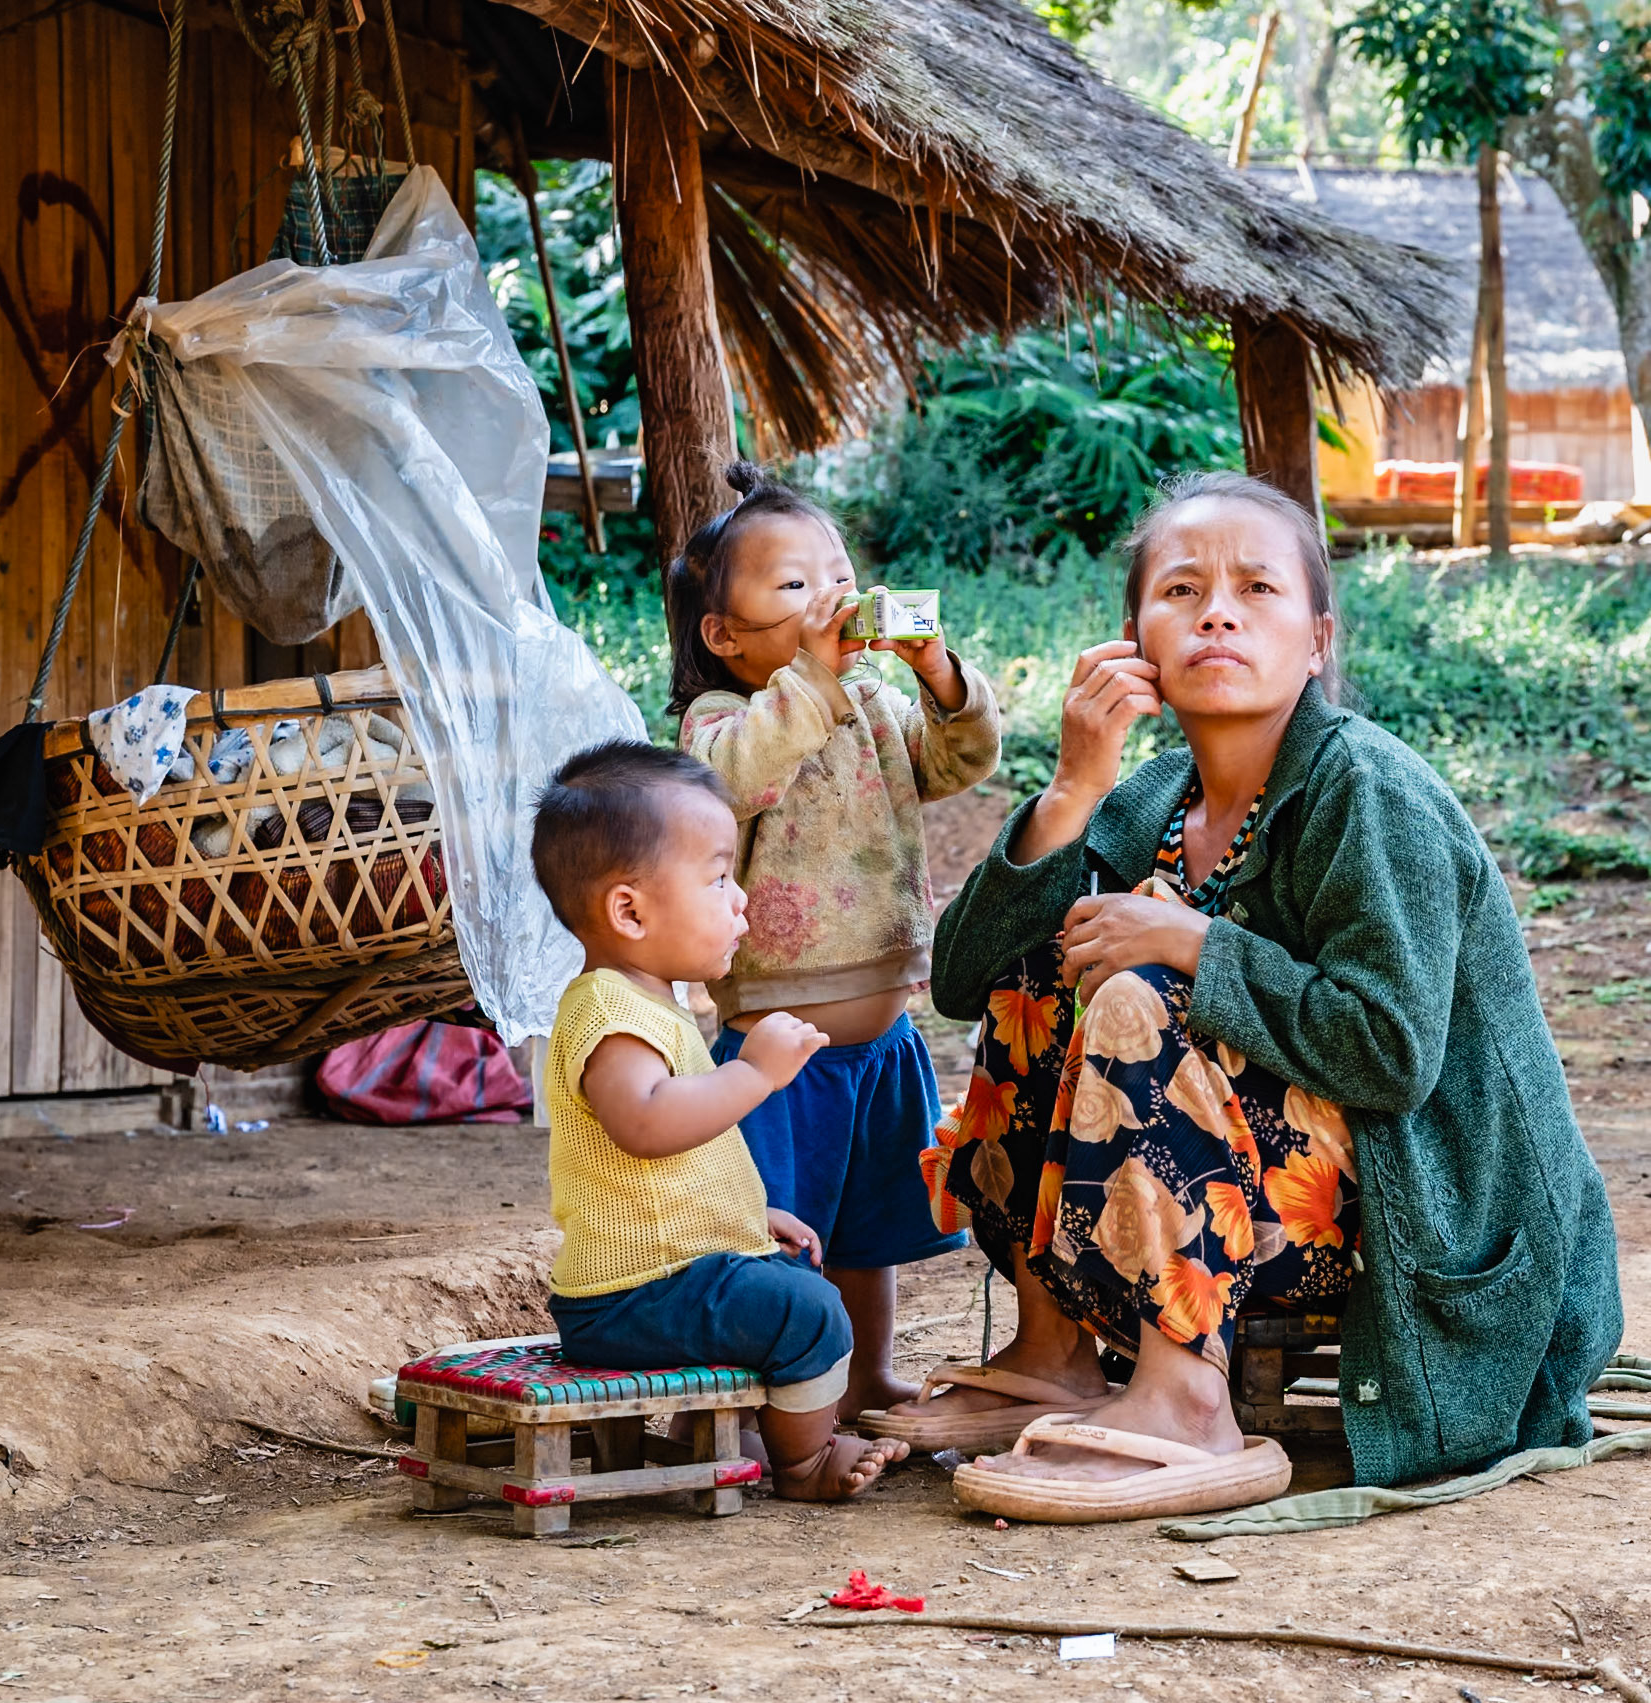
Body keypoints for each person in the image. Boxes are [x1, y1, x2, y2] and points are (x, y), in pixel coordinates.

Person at [867, 469, 1620, 1513]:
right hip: (1258, 1204)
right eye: (1178, 590)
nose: (1215, 609)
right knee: (1045, 966)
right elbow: (961, 981)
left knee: (1132, 985)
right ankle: (1054, 1354)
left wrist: (1191, 942)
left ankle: (1186, 1401)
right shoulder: (1148, 797)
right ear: (1132, 641)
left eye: (1255, 589)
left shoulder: (1365, 789)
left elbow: (1389, 1054)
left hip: (1421, 1222)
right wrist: (1074, 785)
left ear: (1314, 639)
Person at [666, 461, 1002, 1418]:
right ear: (723, 634)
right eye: (795, 585)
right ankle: (786, 1394)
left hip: (883, 1039)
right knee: (785, 1230)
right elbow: (732, 782)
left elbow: (960, 761)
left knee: (867, 1235)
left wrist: (939, 677)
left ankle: (868, 1374)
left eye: (841, 576)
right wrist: (812, 677)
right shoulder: (724, 720)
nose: (833, 599)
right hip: (779, 1052)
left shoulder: (873, 708)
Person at [531, 739, 909, 1501]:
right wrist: (753, 1073)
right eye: (717, 877)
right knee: (810, 1309)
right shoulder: (609, 1009)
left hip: (658, 1280)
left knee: (787, 1285)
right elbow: (644, 1123)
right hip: (632, 1295)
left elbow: (668, 1159)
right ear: (629, 910)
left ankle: (746, 1434)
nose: (739, 897)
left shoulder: (645, 1004)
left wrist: (748, 1211)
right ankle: (803, 1461)